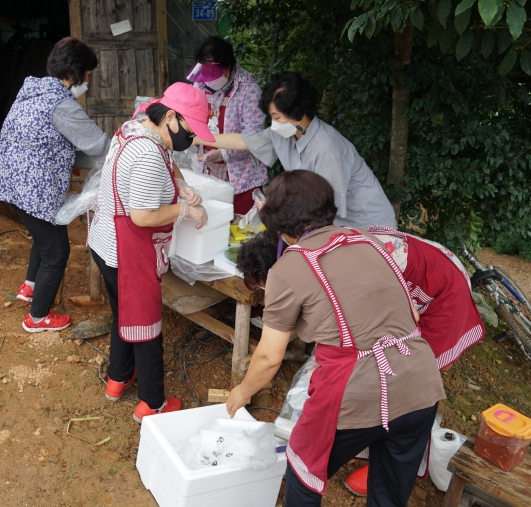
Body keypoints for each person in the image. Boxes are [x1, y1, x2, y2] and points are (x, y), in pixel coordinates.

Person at [227, 170, 445, 507]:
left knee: (303, 468)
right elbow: (411, 316)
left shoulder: (288, 268)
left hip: (355, 392)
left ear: (278, 226)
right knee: (389, 494)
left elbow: (270, 358)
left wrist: (241, 392)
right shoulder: (367, 240)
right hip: (420, 385)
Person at [237, 225, 485, 499]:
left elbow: (401, 320)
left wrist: (243, 391)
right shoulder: (329, 251)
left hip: (440, 292)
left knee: (397, 384)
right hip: (412, 348)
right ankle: (387, 453)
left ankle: (382, 446)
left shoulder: (331, 266)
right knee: (399, 407)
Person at [88, 83, 212, 423]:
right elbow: (142, 217)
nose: (191, 139)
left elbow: (168, 161)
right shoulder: (146, 156)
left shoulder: (137, 129)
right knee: (146, 325)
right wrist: (186, 211)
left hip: (104, 243)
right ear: (170, 116)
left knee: (123, 313)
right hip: (126, 252)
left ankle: (117, 378)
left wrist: (182, 186)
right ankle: (152, 404)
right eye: (190, 130)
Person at [0, 37, 111, 333]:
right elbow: (101, 146)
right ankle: (38, 317)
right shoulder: (63, 106)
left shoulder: (32, 89)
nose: (89, 81)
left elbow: (49, 141)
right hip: (35, 188)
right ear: (76, 72)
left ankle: (29, 286)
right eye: (89, 74)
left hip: (11, 182)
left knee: (45, 234)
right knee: (57, 252)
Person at [194, 72, 397, 229]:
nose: (274, 124)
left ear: (298, 113)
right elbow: (244, 141)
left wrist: (279, 213)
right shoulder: (286, 132)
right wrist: (195, 137)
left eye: (278, 117)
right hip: (328, 222)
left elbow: (325, 208)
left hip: (367, 228)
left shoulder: (328, 150)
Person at [188, 36, 268, 215]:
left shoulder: (249, 89)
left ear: (228, 67)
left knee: (241, 226)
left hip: (243, 174)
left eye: (213, 72)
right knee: (212, 218)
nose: (207, 78)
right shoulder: (200, 82)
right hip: (206, 168)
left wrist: (222, 152)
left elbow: (253, 136)